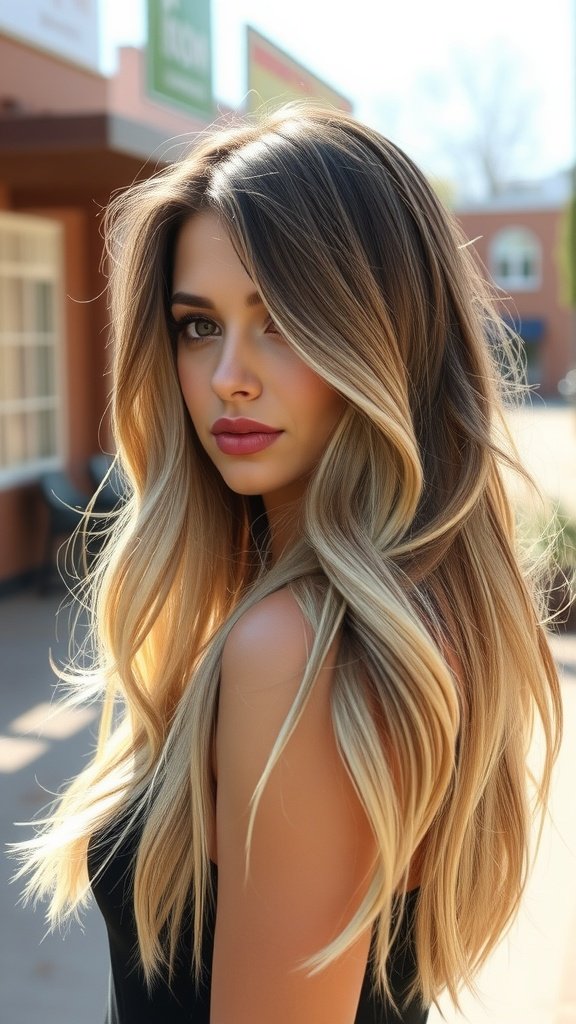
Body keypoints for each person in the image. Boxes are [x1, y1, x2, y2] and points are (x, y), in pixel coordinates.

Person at [15, 103, 563, 1024]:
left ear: (386, 338)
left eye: (282, 321)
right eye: (199, 325)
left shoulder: (295, 647)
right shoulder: (416, 602)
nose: (230, 373)